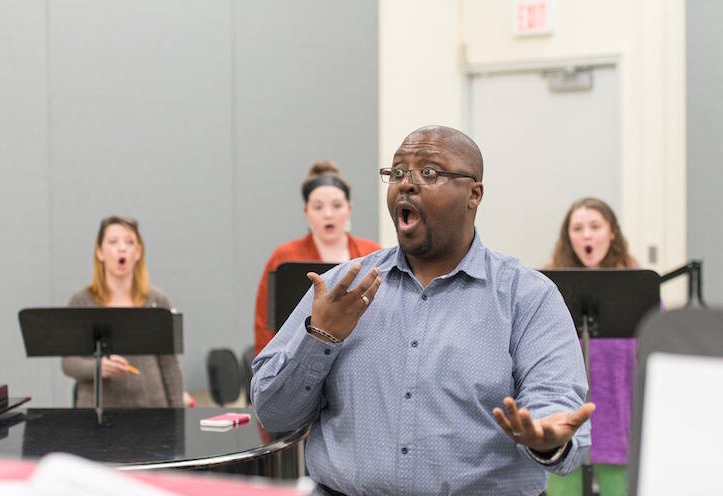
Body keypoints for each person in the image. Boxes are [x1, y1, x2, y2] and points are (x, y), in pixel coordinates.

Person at [252, 126, 594, 495]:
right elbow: (273, 414)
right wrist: (319, 337)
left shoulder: (527, 296)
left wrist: (546, 439)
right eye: (397, 173)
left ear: (473, 194)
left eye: (428, 173)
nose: (407, 184)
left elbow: (553, 404)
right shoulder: (342, 288)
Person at [546, 198, 638, 496]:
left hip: (618, 420)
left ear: (612, 233)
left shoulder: (636, 286)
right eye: (578, 228)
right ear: (568, 237)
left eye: (595, 227)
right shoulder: (547, 289)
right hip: (564, 422)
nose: (587, 235)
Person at [253, 161, 381, 356]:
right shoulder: (284, 256)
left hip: (357, 356)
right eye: (318, 207)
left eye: (337, 206)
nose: (328, 214)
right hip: (298, 355)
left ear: (349, 208)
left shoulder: (372, 253)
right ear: (306, 212)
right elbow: (265, 325)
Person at [62, 216, 184, 408]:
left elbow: (170, 366)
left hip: (152, 410)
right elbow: (69, 363)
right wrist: (98, 367)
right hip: (97, 413)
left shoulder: (156, 300)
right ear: (99, 252)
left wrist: (179, 415)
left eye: (129, 242)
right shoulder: (82, 301)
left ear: (138, 252)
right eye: (113, 242)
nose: (122, 248)